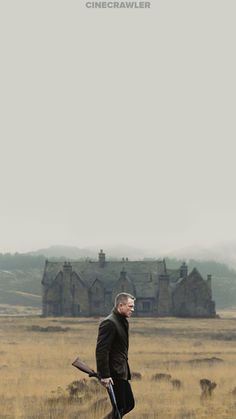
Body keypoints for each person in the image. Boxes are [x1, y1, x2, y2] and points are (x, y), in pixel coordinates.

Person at [96, 292, 135, 418]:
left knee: (128, 404)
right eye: (130, 306)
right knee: (119, 408)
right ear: (120, 306)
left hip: (121, 371)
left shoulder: (122, 321)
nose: (132, 309)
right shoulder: (109, 323)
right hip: (113, 374)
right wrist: (105, 375)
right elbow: (102, 350)